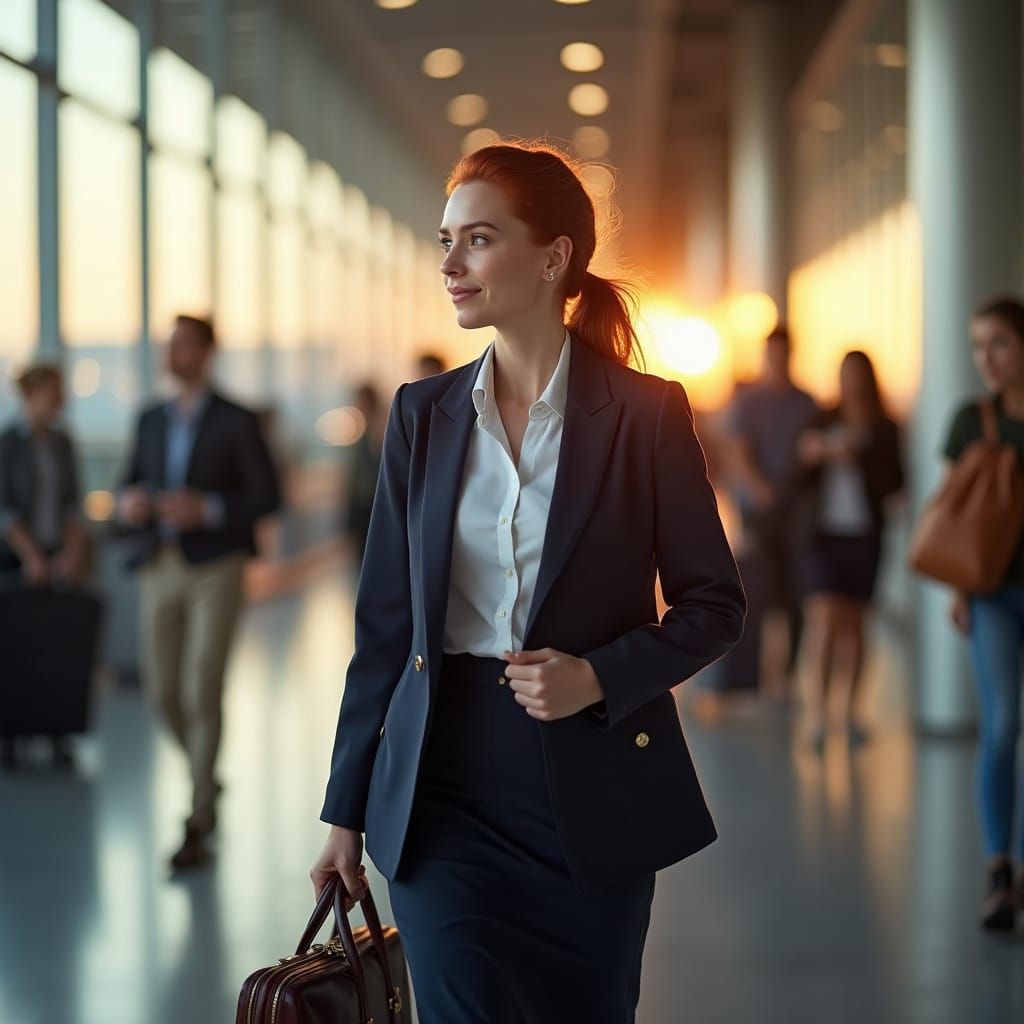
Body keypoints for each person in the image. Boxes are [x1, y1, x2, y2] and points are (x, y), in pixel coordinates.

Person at [310, 143, 745, 1024]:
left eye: (479, 239)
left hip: (592, 791)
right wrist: (344, 810)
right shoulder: (420, 416)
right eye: (446, 240)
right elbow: (386, 631)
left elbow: (714, 605)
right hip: (441, 793)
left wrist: (599, 675)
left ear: (553, 258)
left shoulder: (645, 414)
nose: (450, 263)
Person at [118, 315, 281, 870]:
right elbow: (126, 480)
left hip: (218, 564)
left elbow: (268, 495)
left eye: (183, 345)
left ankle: (198, 816)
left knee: (202, 685)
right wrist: (130, 502)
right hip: (160, 563)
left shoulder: (237, 419)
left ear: (207, 353)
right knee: (162, 689)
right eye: (169, 345)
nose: (171, 353)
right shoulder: (150, 419)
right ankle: (206, 776)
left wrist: (207, 508)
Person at [943, 296, 1024, 931]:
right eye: (977, 346)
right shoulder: (972, 421)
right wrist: (959, 590)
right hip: (991, 592)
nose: (986, 358)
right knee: (1001, 727)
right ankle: (1000, 871)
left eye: (998, 342)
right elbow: (953, 512)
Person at [792, 350, 903, 752]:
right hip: (822, 537)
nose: (850, 382)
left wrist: (860, 455)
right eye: (845, 374)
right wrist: (817, 453)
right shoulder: (821, 420)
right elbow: (796, 474)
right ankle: (818, 716)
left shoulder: (885, 428)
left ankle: (851, 713)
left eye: (856, 374)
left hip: (864, 538)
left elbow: (895, 482)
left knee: (855, 626)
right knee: (823, 621)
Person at [0, 364, 90, 768]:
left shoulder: (61, 442)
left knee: (57, 648)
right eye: (53, 391)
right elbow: (4, 509)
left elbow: (72, 504)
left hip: (56, 556)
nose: (60, 400)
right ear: (32, 392)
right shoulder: (8, 443)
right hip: (15, 558)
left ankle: (56, 732)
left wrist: (70, 553)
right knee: (17, 648)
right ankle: (11, 735)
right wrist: (30, 555)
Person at [723, 328, 818, 697]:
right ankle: (752, 677)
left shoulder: (806, 403)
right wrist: (759, 488)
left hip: (796, 512)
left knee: (795, 590)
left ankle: (788, 673)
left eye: (783, 354)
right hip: (758, 511)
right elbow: (738, 450)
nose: (777, 361)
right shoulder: (749, 402)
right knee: (755, 590)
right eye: (772, 355)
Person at [341, 383, 384, 567]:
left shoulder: (380, 429)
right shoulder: (361, 429)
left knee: (372, 555)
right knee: (361, 554)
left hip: (373, 501)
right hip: (360, 500)